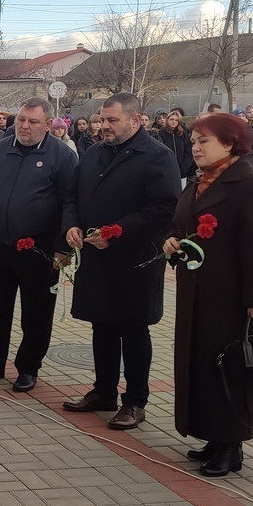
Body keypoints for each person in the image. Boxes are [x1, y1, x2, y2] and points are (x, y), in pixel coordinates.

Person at [162, 114, 253, 478]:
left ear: (229, 144)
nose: (195, 148)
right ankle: (214, 435)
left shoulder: (251, 184)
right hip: (197, 292)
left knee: (231, 368)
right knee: (202, 365)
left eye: (204, 142)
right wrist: (171, 241)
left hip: (232, 297)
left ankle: (232, 445)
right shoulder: (199, 182)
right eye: (194, 141)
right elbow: (182, 223)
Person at [62, 94, 180, 430]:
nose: (103, 126)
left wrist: (117, 232)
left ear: (136, 119)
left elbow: (163, 208)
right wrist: (71, 224)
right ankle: (103, 391)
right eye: (102, 119)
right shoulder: (95, 152)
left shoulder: (157, 156)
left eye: (112, 120)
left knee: (133, 329)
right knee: (102, 325)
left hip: (134, 260)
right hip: (96, 259)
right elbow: (72, 195)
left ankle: (135, 401)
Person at [0, 98, 78, 392]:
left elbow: (71, 204)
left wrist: (63, 249)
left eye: (32, 122)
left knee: (36, 313)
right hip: (0, 243)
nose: (24, 126)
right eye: (21, 120)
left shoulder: (62, 156)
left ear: (48, 125)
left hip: (40, 248)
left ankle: (28, 368)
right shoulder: (0, 149)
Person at [156, 108, 194, 188]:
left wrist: (184, 168)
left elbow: (188, 151)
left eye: (176, 120)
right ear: (168, 120)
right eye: (172, 119)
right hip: (166, 170)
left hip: (182, 171)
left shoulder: (182, 134)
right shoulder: (161, 134)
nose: (173, 122)